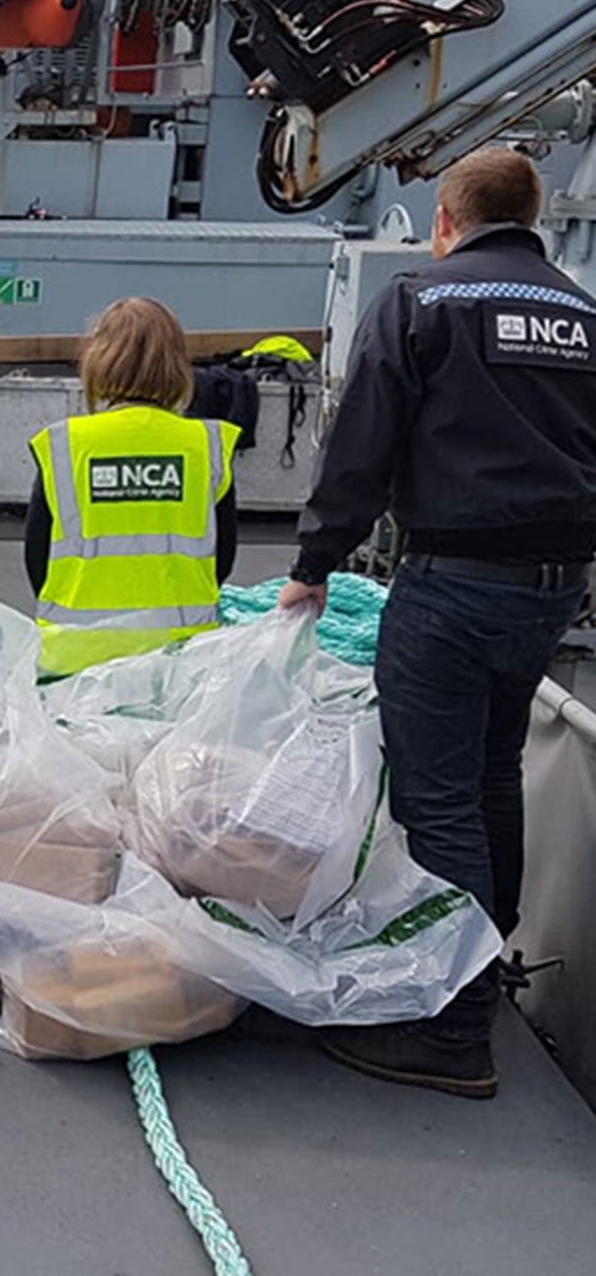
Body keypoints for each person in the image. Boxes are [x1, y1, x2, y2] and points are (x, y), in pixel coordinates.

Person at [280, 147, 596, 1099]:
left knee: (440, 799)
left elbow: (362, 443)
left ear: (447, 219)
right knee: (495, 776)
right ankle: (484, 976)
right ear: (531, 220)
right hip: (551, 585)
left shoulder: (422, 300)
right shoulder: (585, 317)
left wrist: (314, 564)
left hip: (455, 581)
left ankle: (453, 1034)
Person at [26, 297, 238, 677]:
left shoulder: (65, 444)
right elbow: (222, 560)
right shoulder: (206, 445)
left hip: (75, 657)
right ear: (177, 362)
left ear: (97, 359)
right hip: (179, 657)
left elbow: (36, 561)